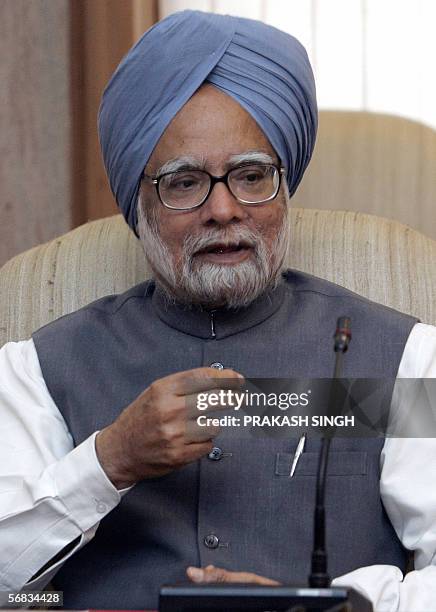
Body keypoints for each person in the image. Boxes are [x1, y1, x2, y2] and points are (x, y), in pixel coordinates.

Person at [1, 10, 436, 611]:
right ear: (140, 200)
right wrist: (110, 460)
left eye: (252, 175)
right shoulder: (39, 368)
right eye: (184, 183)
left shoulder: (401, 358)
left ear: (284, 188)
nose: (225, 209)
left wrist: (335, 605)